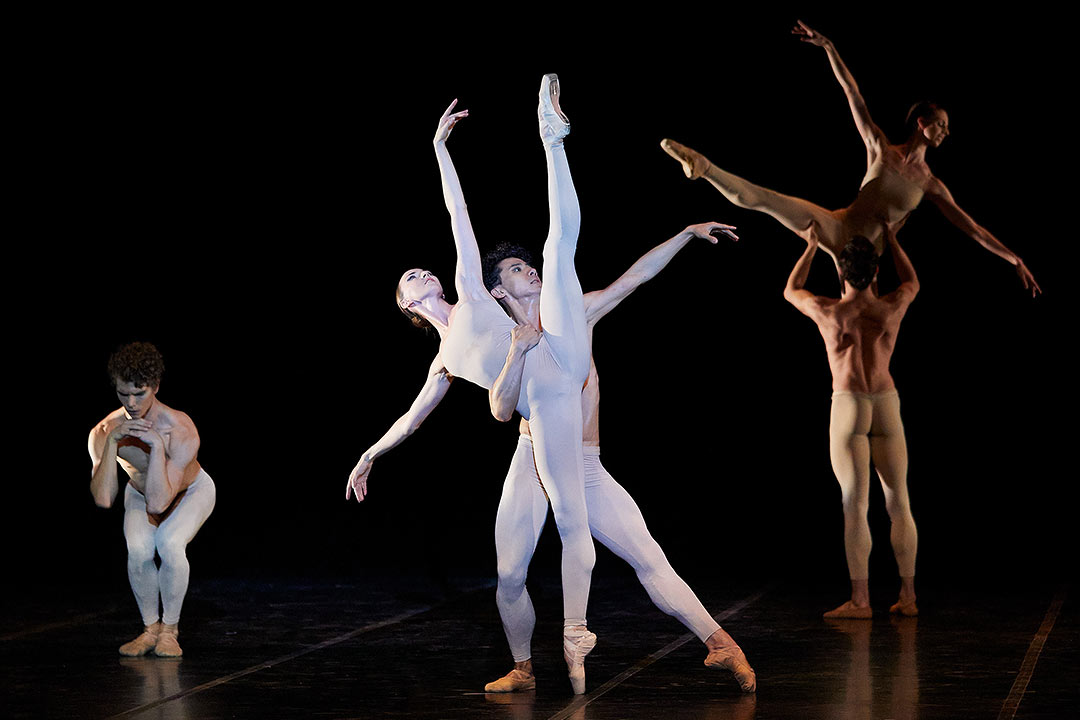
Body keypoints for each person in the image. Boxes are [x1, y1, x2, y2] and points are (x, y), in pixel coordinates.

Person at [348, 76, 599, 693]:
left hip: (555, 411)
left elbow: (457, 213)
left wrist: (440, 148)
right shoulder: (443, 360)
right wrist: (369, 453)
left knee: (580, 528)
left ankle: (576, 631)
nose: (420, 271)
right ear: (409, 307)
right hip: (525, 437)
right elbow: (411, 420)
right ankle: (523, 666)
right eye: (409, 277)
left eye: (420, 267)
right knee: (508, 572)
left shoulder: (470, 291)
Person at [478, 224, 757, 694]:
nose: (529, 269)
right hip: (531, 461)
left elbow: (633, 278)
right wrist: (515, 351)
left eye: (529, 263)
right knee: (508, 574)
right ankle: (522, 668)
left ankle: (722, 643)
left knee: (649, 556)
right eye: (515, 269)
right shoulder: (504, 339)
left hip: (584, 464)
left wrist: (686, 235)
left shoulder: (576, 314)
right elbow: (501, 410)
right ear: (498, 290)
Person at [660, 20, 1040, 297]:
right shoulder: (880, 148)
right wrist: (829, 48)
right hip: (837, 227)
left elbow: (972, 228)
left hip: (868, 257)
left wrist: (1012, 258)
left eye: (946, 127)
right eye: (940, 124)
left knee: (862, 327)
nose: (945, 132)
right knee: (763, 199)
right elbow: (853, 96)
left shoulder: (930, 185)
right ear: (922, 123)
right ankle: (704, 167)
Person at [782, 226, 919, 619]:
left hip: (849, 404)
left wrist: (810, 248)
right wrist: (893, 240)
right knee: (899, 502)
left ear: (841, 276)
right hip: (886, 403)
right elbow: (911, 281)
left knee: (854, 506)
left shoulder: (829, 311)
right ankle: (907, 596)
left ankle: (861, 601)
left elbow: (791, 290)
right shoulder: (891, 306)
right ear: (875, 274)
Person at [88, 342, 216, 657]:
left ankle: (170, 631)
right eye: (123, 394)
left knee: (169, 543)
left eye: (139, 393)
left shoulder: (179, 428)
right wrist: (112, 444)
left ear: (155, 387)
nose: (130, 403)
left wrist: (157, 447)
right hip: (140, 491)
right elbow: (104, 498)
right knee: (139, 550)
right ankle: (150, 629)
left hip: (190, 492)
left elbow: (160, 504)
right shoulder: (104, 430)